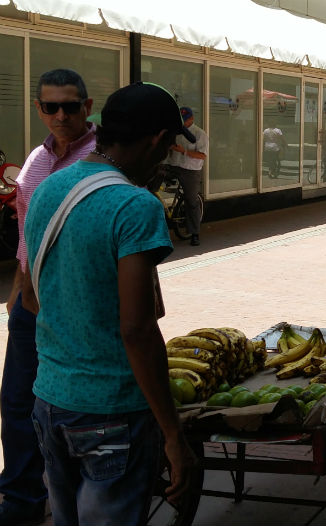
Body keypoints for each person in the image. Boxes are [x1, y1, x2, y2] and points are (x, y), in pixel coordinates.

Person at [22, 81, 198, 525]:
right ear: (157, 140)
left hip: (49, 402)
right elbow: (137, 329)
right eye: (170, 144)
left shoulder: (49, 188)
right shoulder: (134, 205)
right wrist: (174, 437)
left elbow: (30, 296)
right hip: (111, 412)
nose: (168, 155)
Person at [0, 68, 96, 526]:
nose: (60, 115)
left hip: (74, 304)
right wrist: (18, 288)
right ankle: (20, 498)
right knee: (17, 400)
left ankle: (75, 499)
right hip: (29, 303)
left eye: (70, 106)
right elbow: (25, 227)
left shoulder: (101, 159)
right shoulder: (37, 158)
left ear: (88, 107)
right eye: (50, 106)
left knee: (70, 404)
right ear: (39, 108)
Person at [164, 106, 208, 246]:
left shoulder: (199, 134)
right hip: (172, 165)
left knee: (191, 200)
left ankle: (195, 233)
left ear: (191, 118)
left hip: (190, 169)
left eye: (185, 120)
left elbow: (202, 155)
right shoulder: (175, 131)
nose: (182, 123)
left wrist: (183, 151)